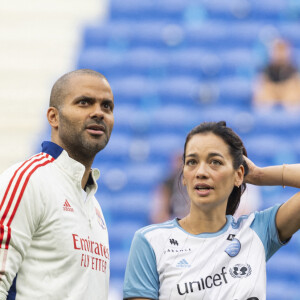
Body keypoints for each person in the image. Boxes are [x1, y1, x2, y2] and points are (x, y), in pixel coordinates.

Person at [123, 121, 300, 300]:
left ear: (238, 175)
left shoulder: (258, 231)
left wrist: (258, 175)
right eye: (192, 162)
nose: (201, 172)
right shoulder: (150, 241)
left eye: (215, 162)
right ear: (183, 175)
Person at [0, 69, 114, 300]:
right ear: (54, 117)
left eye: (107, 106)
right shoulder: (28, 180)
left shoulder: (94, 206)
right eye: (84, 102)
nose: (99, 113)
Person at [253, 38, 300, 110]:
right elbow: (257, 99)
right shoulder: (264, 72)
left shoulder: (294, 72)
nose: (280, 54)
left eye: (283, 50)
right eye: (277, 50)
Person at [150, 152, 189, 224]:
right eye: (178, 161)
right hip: (172, 224)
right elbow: (158, 215)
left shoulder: (196, 183)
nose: (180, 165)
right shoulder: (165, 185)